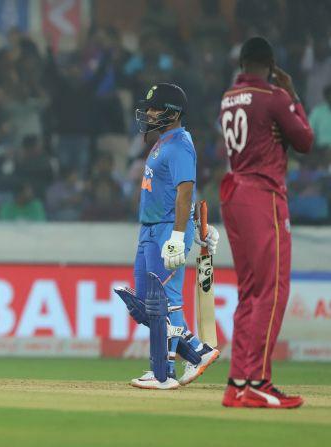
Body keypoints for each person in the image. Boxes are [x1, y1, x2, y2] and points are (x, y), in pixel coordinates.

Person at [219, 37, 313, 408]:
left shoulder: (228, 97)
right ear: (271, 65)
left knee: (249, 292)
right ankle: (258, 381)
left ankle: (237, 382)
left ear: (242, 64)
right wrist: (293, 96)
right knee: (272, 289)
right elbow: (304, 140)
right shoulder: (274, 96)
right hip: (264, 194)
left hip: (234, 192)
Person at [119, 83, 220, 390]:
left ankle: (164, 372)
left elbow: (185, 191)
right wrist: (199, 225)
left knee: (160, 302)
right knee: (145, 305)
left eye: (154, 108)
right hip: (150, 227)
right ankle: (194, 353)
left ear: (172, 113)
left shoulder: (179, 144)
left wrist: (180, 233)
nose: (148, 113)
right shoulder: (163, 141)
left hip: (166, 228)